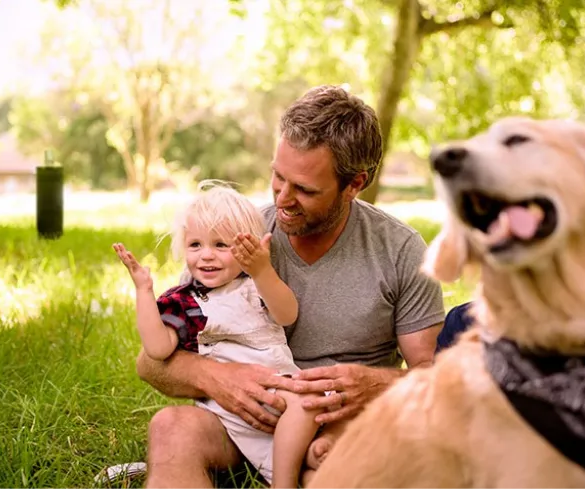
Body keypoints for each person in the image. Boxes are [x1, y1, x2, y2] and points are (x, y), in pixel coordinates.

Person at [130, 85, 449, 489]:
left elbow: (432, 375)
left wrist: (375, 384)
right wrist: (214, 377)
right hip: (243, 425)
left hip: (340, 425)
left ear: (355, 184)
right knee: (171, 428)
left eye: (305, 189)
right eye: (277, 177)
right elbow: (151, 361)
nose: (282, 198)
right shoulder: (231, 235)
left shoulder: (400, 250)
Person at [112, 183, 323, 489]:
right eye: (195, 245)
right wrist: (144, 292)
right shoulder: (186, 301)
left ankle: (291, 469)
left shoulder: (256, 286)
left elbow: (287, 314)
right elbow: (158, 349)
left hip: (280, 397)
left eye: (221, 245)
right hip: (227, 412)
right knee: (306, 407)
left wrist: (263, 270)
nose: (206, 256)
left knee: (311, 409)